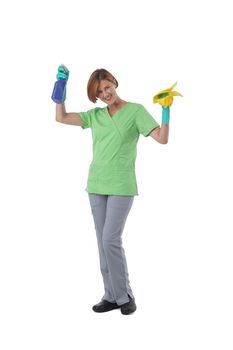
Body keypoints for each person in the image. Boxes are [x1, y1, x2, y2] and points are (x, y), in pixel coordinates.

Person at [54, 66, 170, 315]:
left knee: (110, 240)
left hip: (121, 185)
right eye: (99, 92)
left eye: (107, 87)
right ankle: (110, 295)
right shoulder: (95, 116)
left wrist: (166, 111)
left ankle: (125, 294)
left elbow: (161, 138)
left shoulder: (135, 111)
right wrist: (60, 90)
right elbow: (61, 118)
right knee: (102, 242)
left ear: (114, 82)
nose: (105, 93)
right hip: (96, 184)